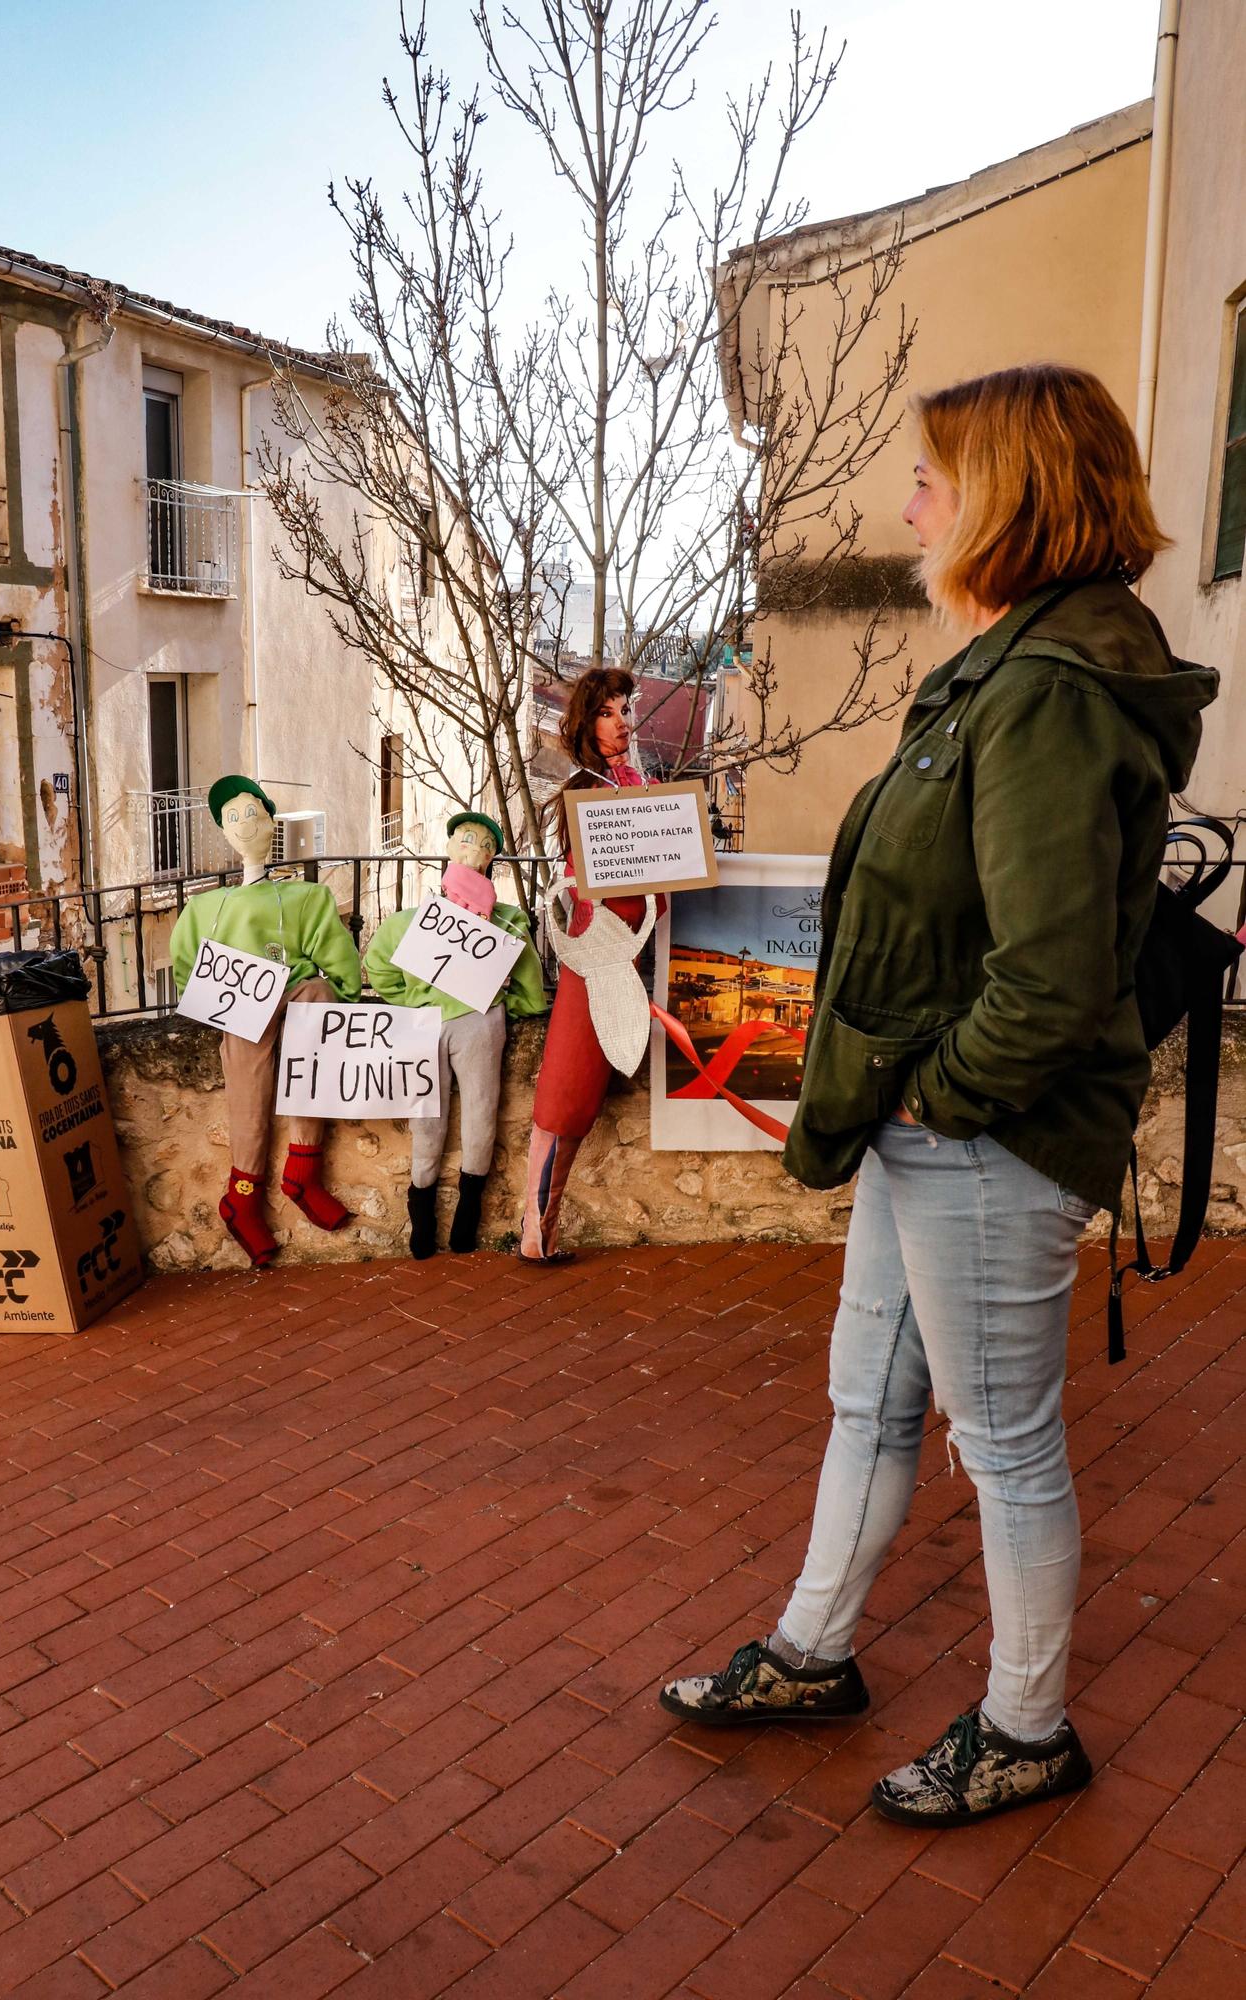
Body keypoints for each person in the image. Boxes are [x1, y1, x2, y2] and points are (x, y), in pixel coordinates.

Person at [659, 365, 1218, 1827]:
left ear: (1004, 499)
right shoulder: (1003, 669)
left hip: (983, 1134)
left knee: (1004, 1442)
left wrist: (938, 1097)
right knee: (871, 1401)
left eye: (931, 476)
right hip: (934, 1128)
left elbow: (1046, 970)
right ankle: (810, 1652)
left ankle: (1028, 1729)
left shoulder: (1040, 693)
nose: (908, 502)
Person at [169, 776, 362, 1267]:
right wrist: (214, 998)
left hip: (294, 993)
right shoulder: (204, 908)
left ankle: (304, 1167)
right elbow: (187, 970)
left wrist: (343, 992)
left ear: (271, 822)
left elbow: (338, 963)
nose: (245, 824)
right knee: (245, 1045)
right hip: (245, 1005)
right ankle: (244, 1191)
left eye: (253, 813)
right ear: (222, 830)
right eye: (233, 817)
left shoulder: (306, 897)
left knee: (318, 995)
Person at [364, 810, 546, 1258]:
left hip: (476, 1022)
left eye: (485, 844)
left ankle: (466, 1214)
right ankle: (422, 1217)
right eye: (466, 838)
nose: (474, 849)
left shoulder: (505, 924)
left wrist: (498, 1003)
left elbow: (530, 987)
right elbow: (378, 966)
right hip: (433, 1023)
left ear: (491, 859)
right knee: (428, 1119)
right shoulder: (412, 921)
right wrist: (412, 1002)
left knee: (480, 1114)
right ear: (449, 846)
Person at [522, 667, 659, 1261]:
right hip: (597, 948)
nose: (622, 721)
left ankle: (539, 1229)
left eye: (625, 710)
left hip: (622, 948)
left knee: (578, 1090)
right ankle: (536, 1230)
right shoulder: (589, 788)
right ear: (586, 721)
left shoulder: (629, 783)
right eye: (608, 712)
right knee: (567, 1088)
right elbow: (610, 877)